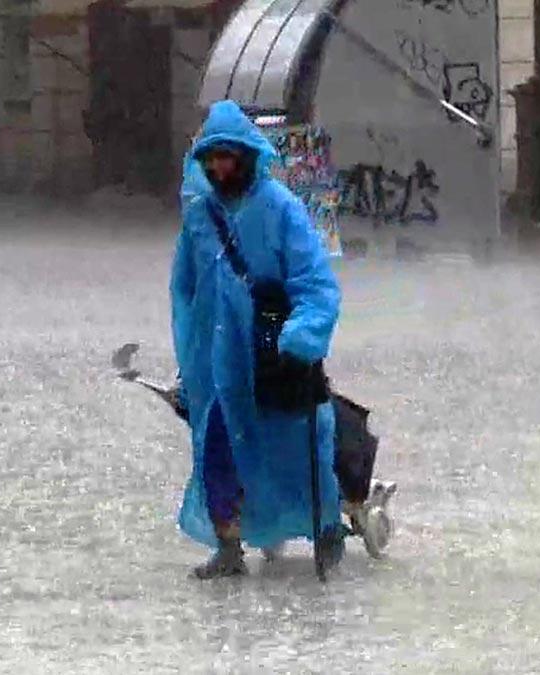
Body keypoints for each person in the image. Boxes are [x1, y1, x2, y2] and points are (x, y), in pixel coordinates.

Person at [170, 100, 346, 579]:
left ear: (246, 156)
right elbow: (186, 292)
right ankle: (229, 545)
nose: (217, 167)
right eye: (211, 158)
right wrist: (190, 365)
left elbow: (314, 282)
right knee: (219, 449)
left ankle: (325, 526)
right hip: (220, 365)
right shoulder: (200, 219)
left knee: (295, 448)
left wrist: (302, 336)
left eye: (226, 157)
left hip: (275, 355)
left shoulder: (281, 209)